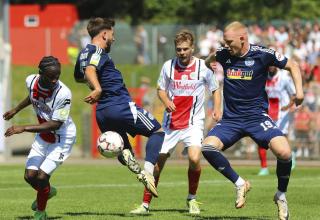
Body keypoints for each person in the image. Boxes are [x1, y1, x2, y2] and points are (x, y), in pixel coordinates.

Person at [203, 21, 303, 220]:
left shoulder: (263, 54)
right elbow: (209, 60)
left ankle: (281, 195)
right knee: (207, 147)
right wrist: (210, 64)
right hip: (231, 120)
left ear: (243, 38)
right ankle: (240, 183)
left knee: (284, 152)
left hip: (257, 117)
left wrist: (299, 92)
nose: (226, 45)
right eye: (224, 42)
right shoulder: (224, 54)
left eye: (229, 42)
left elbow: (293, 65)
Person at [130, 30, 222, 215]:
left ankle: (192, 199)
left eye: (185, 49)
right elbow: (160, 89)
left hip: (193, 123)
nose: (182, 52)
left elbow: (215, 89)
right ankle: (145, 204)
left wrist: (217, 109)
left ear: (192, 48)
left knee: (195, 158)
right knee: (157, 165)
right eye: (178, 49)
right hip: (170, 124)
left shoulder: (203, 68)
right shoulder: (168, 66)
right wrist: (166, 101)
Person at [73, 17, 164, 198]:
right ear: (104, 34)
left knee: (123, 148)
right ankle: (147, 171)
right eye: (112, 35)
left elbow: (78, 76)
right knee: (158, 132)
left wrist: (95, 85)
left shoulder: (83, 53)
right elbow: (90, 70)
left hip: (102, 112)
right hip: (120, 105)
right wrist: (98, 88)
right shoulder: (98, 51)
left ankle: (138, 171)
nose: (114, 39)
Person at [3, 56, 76, 220]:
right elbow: (32, 96)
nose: (55, 79)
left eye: (58, 75)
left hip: (62, 138)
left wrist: (23, 127)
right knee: (29, 176)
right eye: (51, 76)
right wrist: (16, 109)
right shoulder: (31, 80)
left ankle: (40, 213)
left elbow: (55, 124)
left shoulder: (63, 93)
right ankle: (48, 191)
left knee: (42, 177)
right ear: (41, 73)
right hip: (44, 136)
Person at [257, 66, 297, 176]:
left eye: (272, 64)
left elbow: (294, 95)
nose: (270, 66)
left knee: (282, 137)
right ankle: (264, 167)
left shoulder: (284, 77)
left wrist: (288, 106)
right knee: (260, 138)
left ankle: (290, 155)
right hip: (266, 112)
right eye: (268, 64)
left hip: (281, 113)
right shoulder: (262, 76)